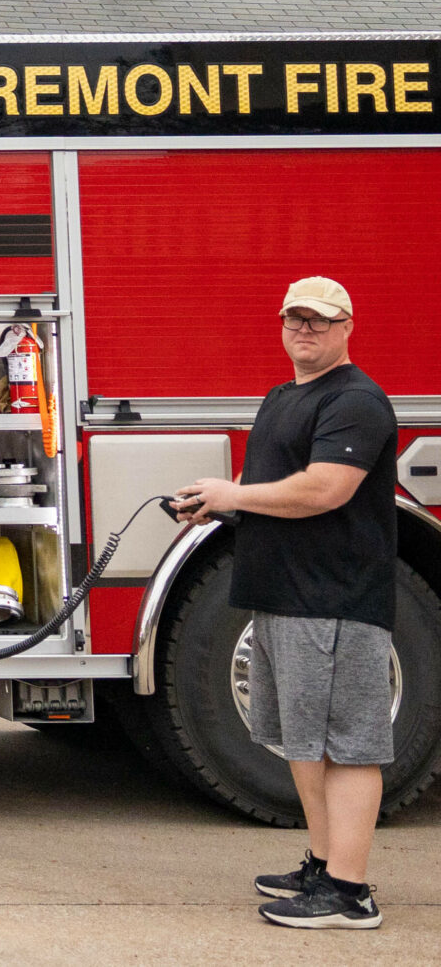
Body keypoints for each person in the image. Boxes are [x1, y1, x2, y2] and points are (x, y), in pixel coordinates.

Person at [172, 276, 398, 931]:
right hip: (282, 598)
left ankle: (350, 894)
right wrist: (216, 500)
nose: (305, 329)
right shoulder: (283, 396)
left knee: (347, 746)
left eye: (320, 320)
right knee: (305, 743)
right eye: (295, 318)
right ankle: (324, 865)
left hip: (334, 601)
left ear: (347, 326)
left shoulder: (356, 400)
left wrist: (235, 495)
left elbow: (326, 489)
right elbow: (269, 483)